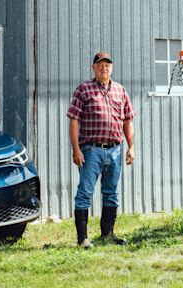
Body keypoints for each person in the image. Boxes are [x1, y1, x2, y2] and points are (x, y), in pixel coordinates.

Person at [67, 51, 135, 248]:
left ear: (111, 67)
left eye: (107, 65)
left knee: (111, 192)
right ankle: (83, 239)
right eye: (100, 65)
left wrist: (131, 147)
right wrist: (76, 149)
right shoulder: (84, 90)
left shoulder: (120, 91)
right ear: (94, 68)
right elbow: (74, 120)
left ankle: (108, 234)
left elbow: (128, 120)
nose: (104, 68)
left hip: (115, 149)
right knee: (85, 192)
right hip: (91, 150)